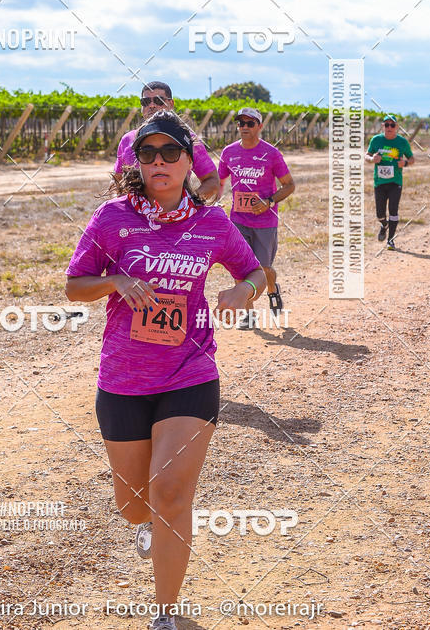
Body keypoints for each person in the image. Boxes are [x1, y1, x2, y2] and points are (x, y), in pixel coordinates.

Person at [66, 110, 265, 630]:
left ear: (189, 161)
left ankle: (165, 613)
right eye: (148, 153)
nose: (159, 161)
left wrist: (242, 291)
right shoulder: (112, 219)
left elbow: (254, 271)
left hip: (190, 373)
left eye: (170, 152)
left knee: (171, 494)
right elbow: (74, 285)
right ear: (137, 162)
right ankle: (150, 524)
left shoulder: (212, 223)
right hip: (123, 380)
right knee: (135, 506)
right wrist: (114, 281)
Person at [217, 107, 295, 328]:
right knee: (240, 269)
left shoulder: (271, 153)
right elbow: (219, 182)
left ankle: (272, 289)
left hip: (265, 223)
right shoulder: (228, 152)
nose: (244, 127)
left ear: (260, 126)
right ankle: (249, 314)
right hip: (238, 221)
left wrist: (269, 202)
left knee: (264, 268)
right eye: (241, 123)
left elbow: (289, 185)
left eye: (250, 123)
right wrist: (215, 203)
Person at [113, 81, 220, 202]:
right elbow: (117, 180)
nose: (152, 105)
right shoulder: (127, 140)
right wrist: (120, 208)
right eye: (146, 102)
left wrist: (190, 204)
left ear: (171, 104)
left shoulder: (187, 139)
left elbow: (212, 181)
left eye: (158, 100)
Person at [365, 115, 414, 250]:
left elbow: (412, 159)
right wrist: (372, 159)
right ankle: (384, 225)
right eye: (387, 125)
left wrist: (405, 163)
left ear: (397, 127)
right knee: (380, 214)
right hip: (379, 182)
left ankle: (390, 240)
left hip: (395, 182)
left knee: (393, 210)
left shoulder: (402, 142)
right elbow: (366, 155)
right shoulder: (376, 140)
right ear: (383, 126)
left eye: (392, 125)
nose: (389, 127)